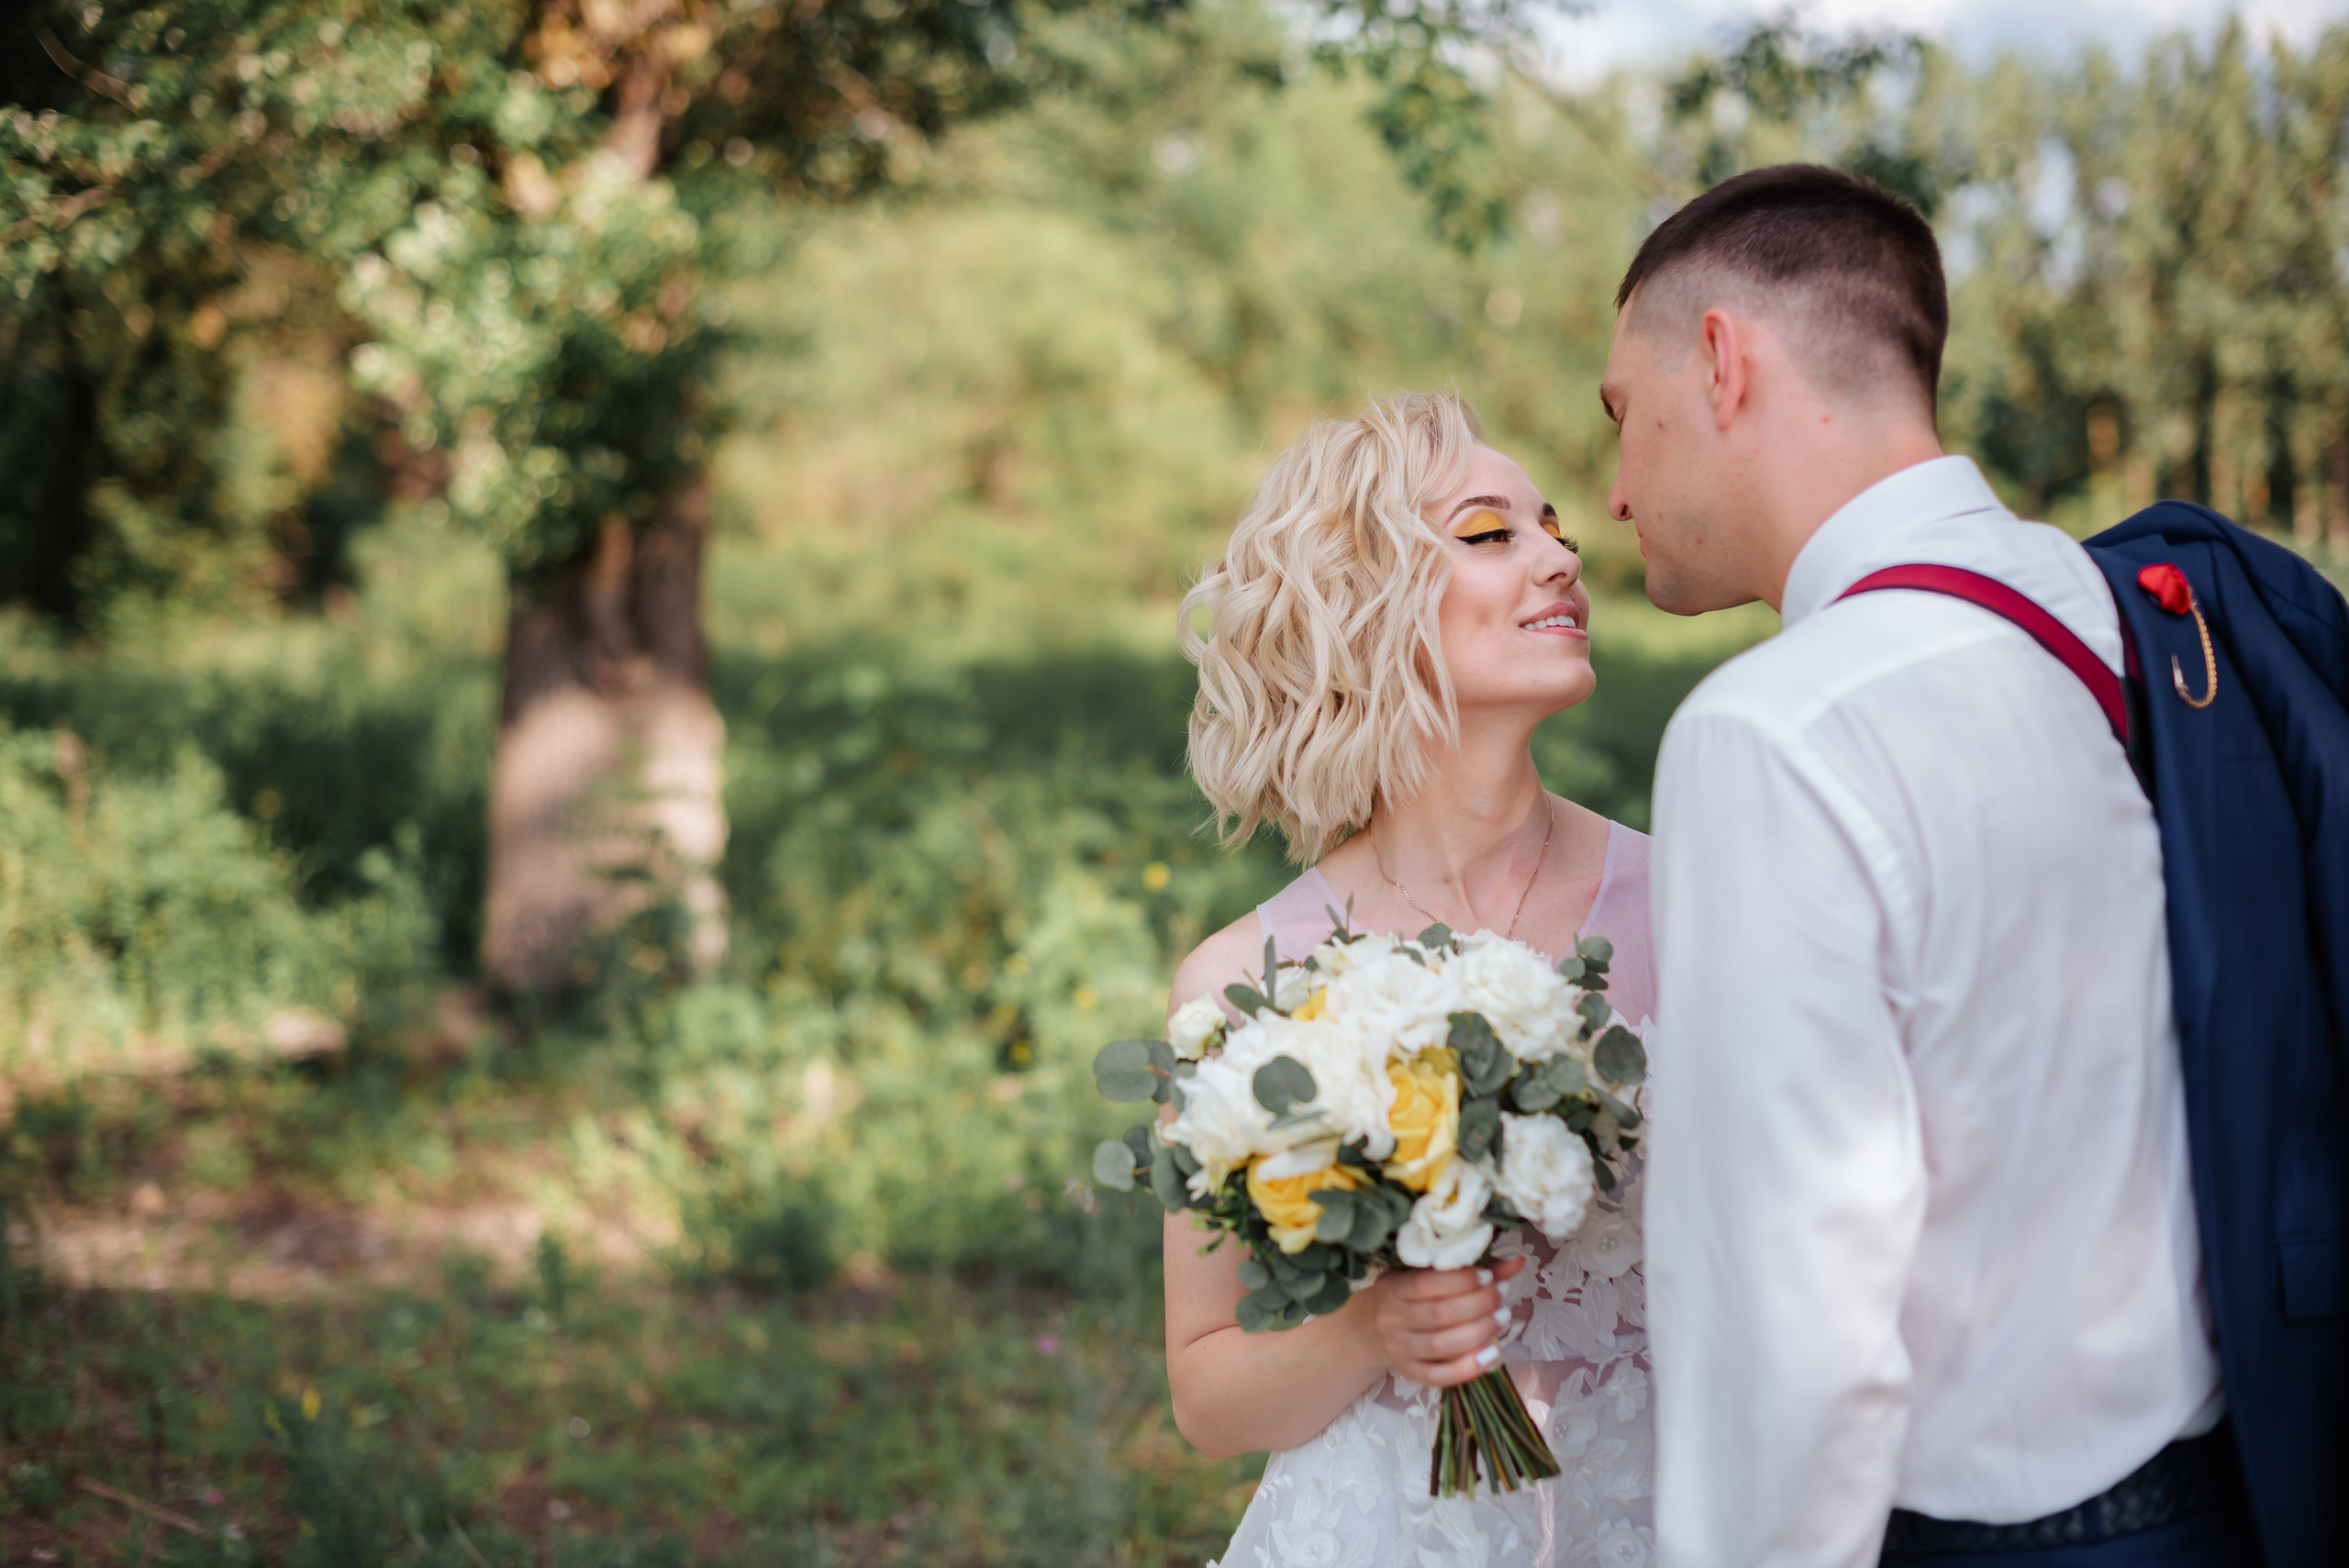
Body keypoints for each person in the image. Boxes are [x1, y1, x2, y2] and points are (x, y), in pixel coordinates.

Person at [1609, 164, 2247, 1567]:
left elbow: (1791, 1315)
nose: (1613, 490)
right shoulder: (2135, 623)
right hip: (2230, 1491)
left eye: (1619, 415)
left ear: (1721, 363)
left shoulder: (1777, 730)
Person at [1164, 390, 1660, 1567]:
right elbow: (1205, 1393)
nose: (1559, 556)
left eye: (1555, 529)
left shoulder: (1698, 905)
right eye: (1493, 533)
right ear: (1361, 602)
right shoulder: (1244, 976)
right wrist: (1370, 1329)